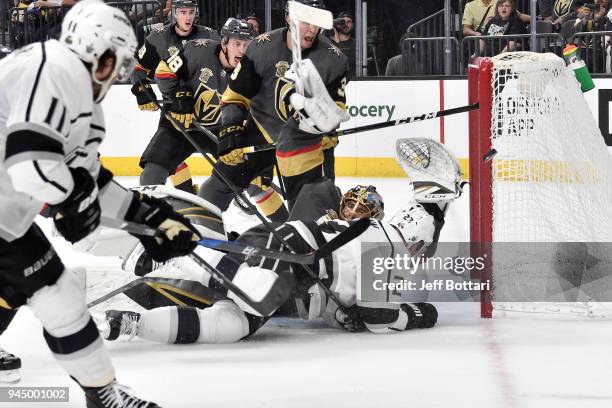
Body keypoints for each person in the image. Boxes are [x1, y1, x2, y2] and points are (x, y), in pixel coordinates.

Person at [0, 1, 201, 406]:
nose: (117, 73)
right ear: (91, 48)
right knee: (57, 294)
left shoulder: (85, 103)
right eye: (115, 60)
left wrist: (150, 218)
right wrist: (73, 200)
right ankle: (104, 396)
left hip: (7, 219)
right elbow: (30, 164)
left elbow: (88, 180)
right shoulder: (51, 69)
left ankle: (103, 394)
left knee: (54, 294)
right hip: (7, 217)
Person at [98, 138, 462, 345]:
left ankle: (134, 325)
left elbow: (351, 312)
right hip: (287, 254)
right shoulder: (385, 248)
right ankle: (165, 257)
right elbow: (379, 317)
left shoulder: (380, 246)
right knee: (250, 288)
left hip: (288, 267)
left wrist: (343, 316)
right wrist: (418, 314)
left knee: (235, 325)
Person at [203, 0, 349, 215]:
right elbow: (236, 96)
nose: (312, 29)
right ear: (289, 18)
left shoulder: (334, 59)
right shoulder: (261, 47)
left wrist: (327, 129)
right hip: (261, 131)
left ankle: (299, 239)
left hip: (306, 142)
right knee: (214, 189)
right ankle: (196, 233)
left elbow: (336, 106)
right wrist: (230, 130)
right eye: (306, 21)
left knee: (315, 214)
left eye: (316, 22)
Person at [130, 0, 219, 186]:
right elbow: (137, 67)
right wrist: (141, 88)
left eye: (191, 12)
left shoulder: (210, 36)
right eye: (183, 12)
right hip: (175, 111)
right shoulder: (158, 37)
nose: (188, 17)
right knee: (166, 156)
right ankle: (187, 192)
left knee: (237, 163)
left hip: (211, 111)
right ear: (174, 13)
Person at [327, 11, 356, 78]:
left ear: (353, 25)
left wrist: (339, 43)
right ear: (337, 24)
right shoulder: (328, 43)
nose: (345, 24)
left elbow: (348, 64)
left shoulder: (357, 44)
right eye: (342, 22)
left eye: (348, 22)